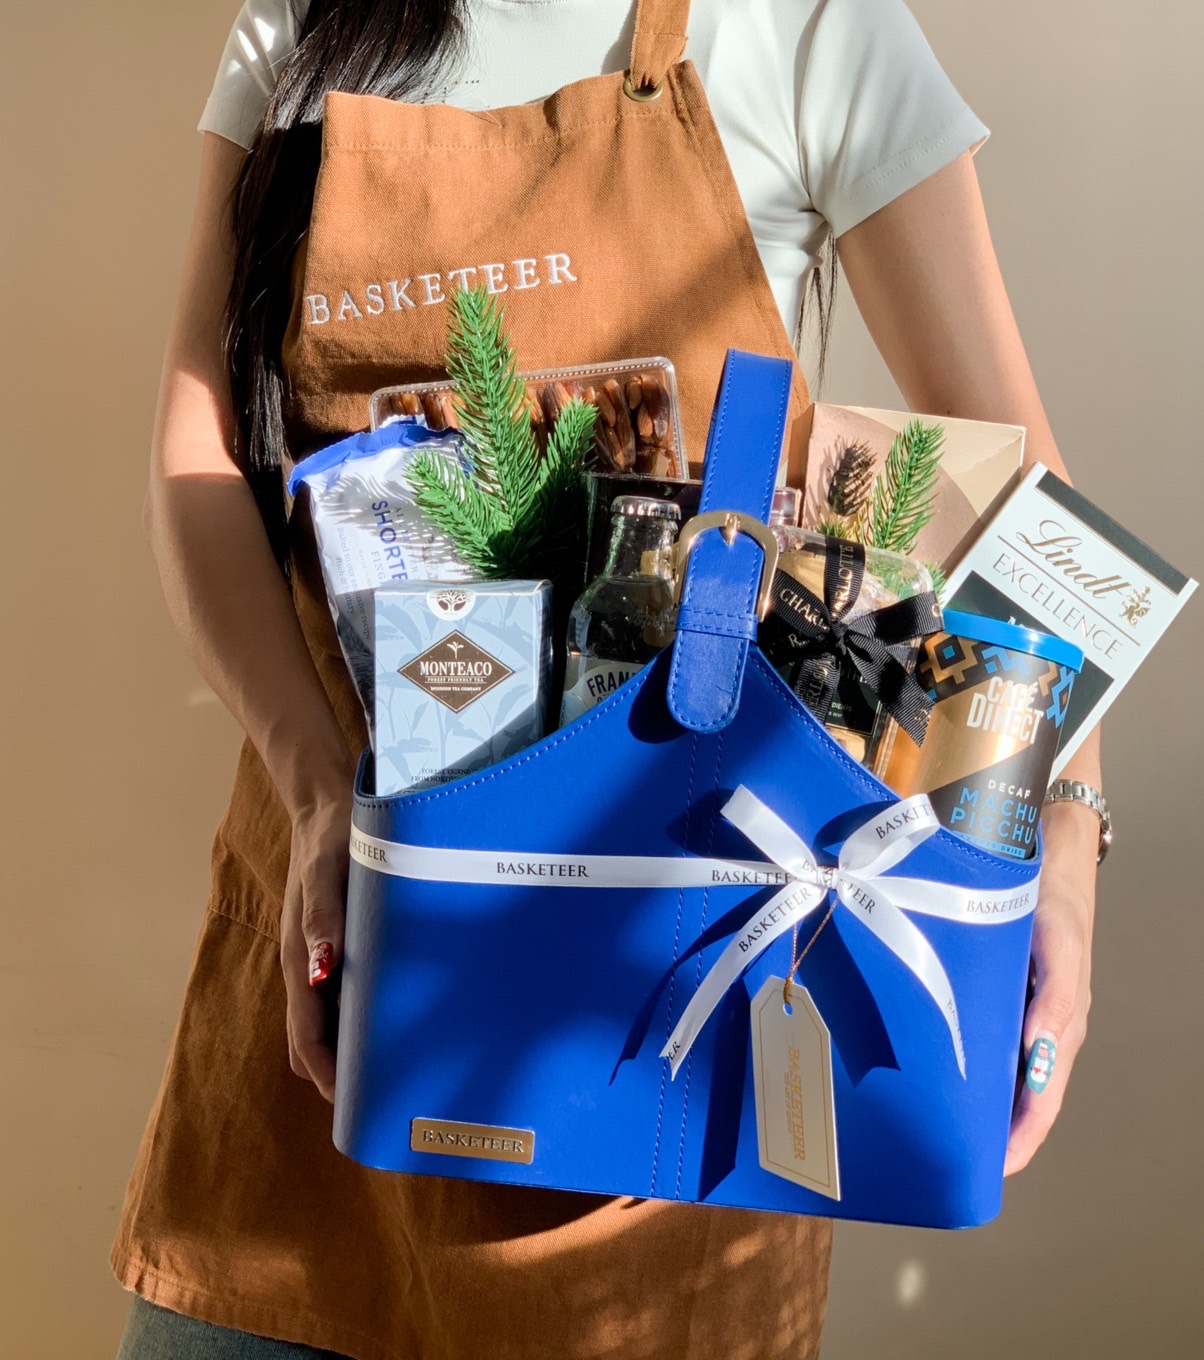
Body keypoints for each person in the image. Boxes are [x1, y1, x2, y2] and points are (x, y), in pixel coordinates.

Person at [113, 1, 1106, 1357]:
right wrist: (313, 794)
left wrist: (1068, 842)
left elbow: (1030, 507)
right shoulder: (305, 18)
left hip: (674, 1020)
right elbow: (200, 461)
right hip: (344, 960)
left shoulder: (808, 22)